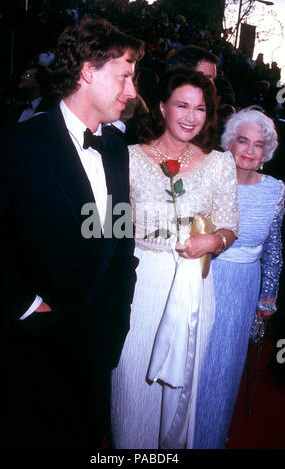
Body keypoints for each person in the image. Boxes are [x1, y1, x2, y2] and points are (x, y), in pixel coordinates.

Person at [0, 17, 144, 448]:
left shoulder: (114, 147)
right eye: (125, 77)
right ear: (88, 72)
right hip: (37, 349)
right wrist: (20, 302)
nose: (133, 92)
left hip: (99, 343)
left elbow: (118, 237)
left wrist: (119, 313)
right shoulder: (19, 144)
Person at [111, 68, 240, 449]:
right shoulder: (127, 158)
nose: (190, 116)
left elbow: (231, 226)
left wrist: (214, 240)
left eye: (200, 109)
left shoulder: (220, 163)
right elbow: (106, 225)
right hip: (137, 284)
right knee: (131, 386)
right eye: (181, 105)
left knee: (179, 392)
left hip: (194, 290)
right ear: (163, 107)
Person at [194, 106, 285, 449]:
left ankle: (208, 438)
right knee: (190, 363)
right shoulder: (207, 178)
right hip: (201, 276)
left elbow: (274, 247)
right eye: (242, 141)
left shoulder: (275, 190)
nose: (249, 150)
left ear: (267, 152)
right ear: (229, 143)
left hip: (241, 285)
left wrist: (268, 297)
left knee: (222, 370)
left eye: (258, 145)